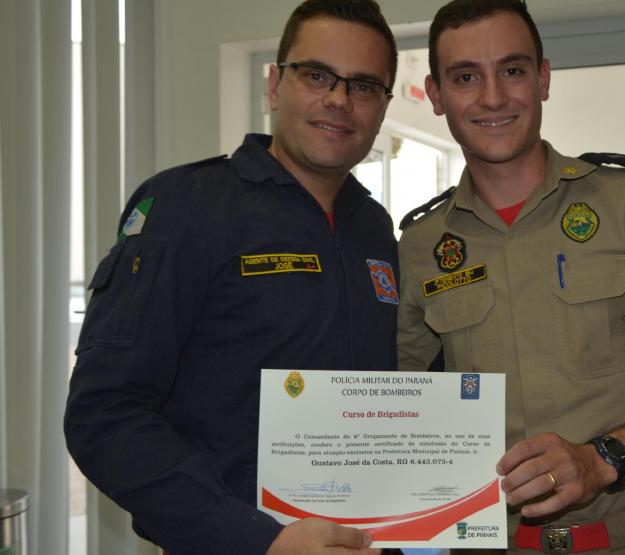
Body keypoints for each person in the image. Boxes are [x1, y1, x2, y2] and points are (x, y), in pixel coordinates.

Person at [396, 1, 625, 553]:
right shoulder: (419, 247)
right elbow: (399, 402)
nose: (493, 97)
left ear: (543, 79)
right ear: (436, 96)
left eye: (512, 70)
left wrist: (602, 460)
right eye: (465, 77)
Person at [64, 1, 401, 553]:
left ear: (383, 106)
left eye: (363, 86)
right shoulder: (186, 206)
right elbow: (104, 415)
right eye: (316, 75)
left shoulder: (375, 229)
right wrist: (258, 540)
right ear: (275, 84)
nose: (339, 99)